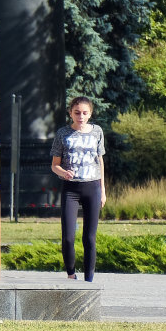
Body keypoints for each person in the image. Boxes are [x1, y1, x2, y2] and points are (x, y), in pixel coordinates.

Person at [52, 96, 105, 282]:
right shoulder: (63, 134)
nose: (80, 116)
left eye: (84, 113)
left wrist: (103, 190)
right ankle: (71, 274)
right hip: (71, 189)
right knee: (67, 237)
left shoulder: (97, 132)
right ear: (70, 113)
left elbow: (100, 161)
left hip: (92, 186)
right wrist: (63, 172)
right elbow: (54, 165)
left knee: (89, 238)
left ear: (90, 114)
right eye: (77, 113)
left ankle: (89, 280)